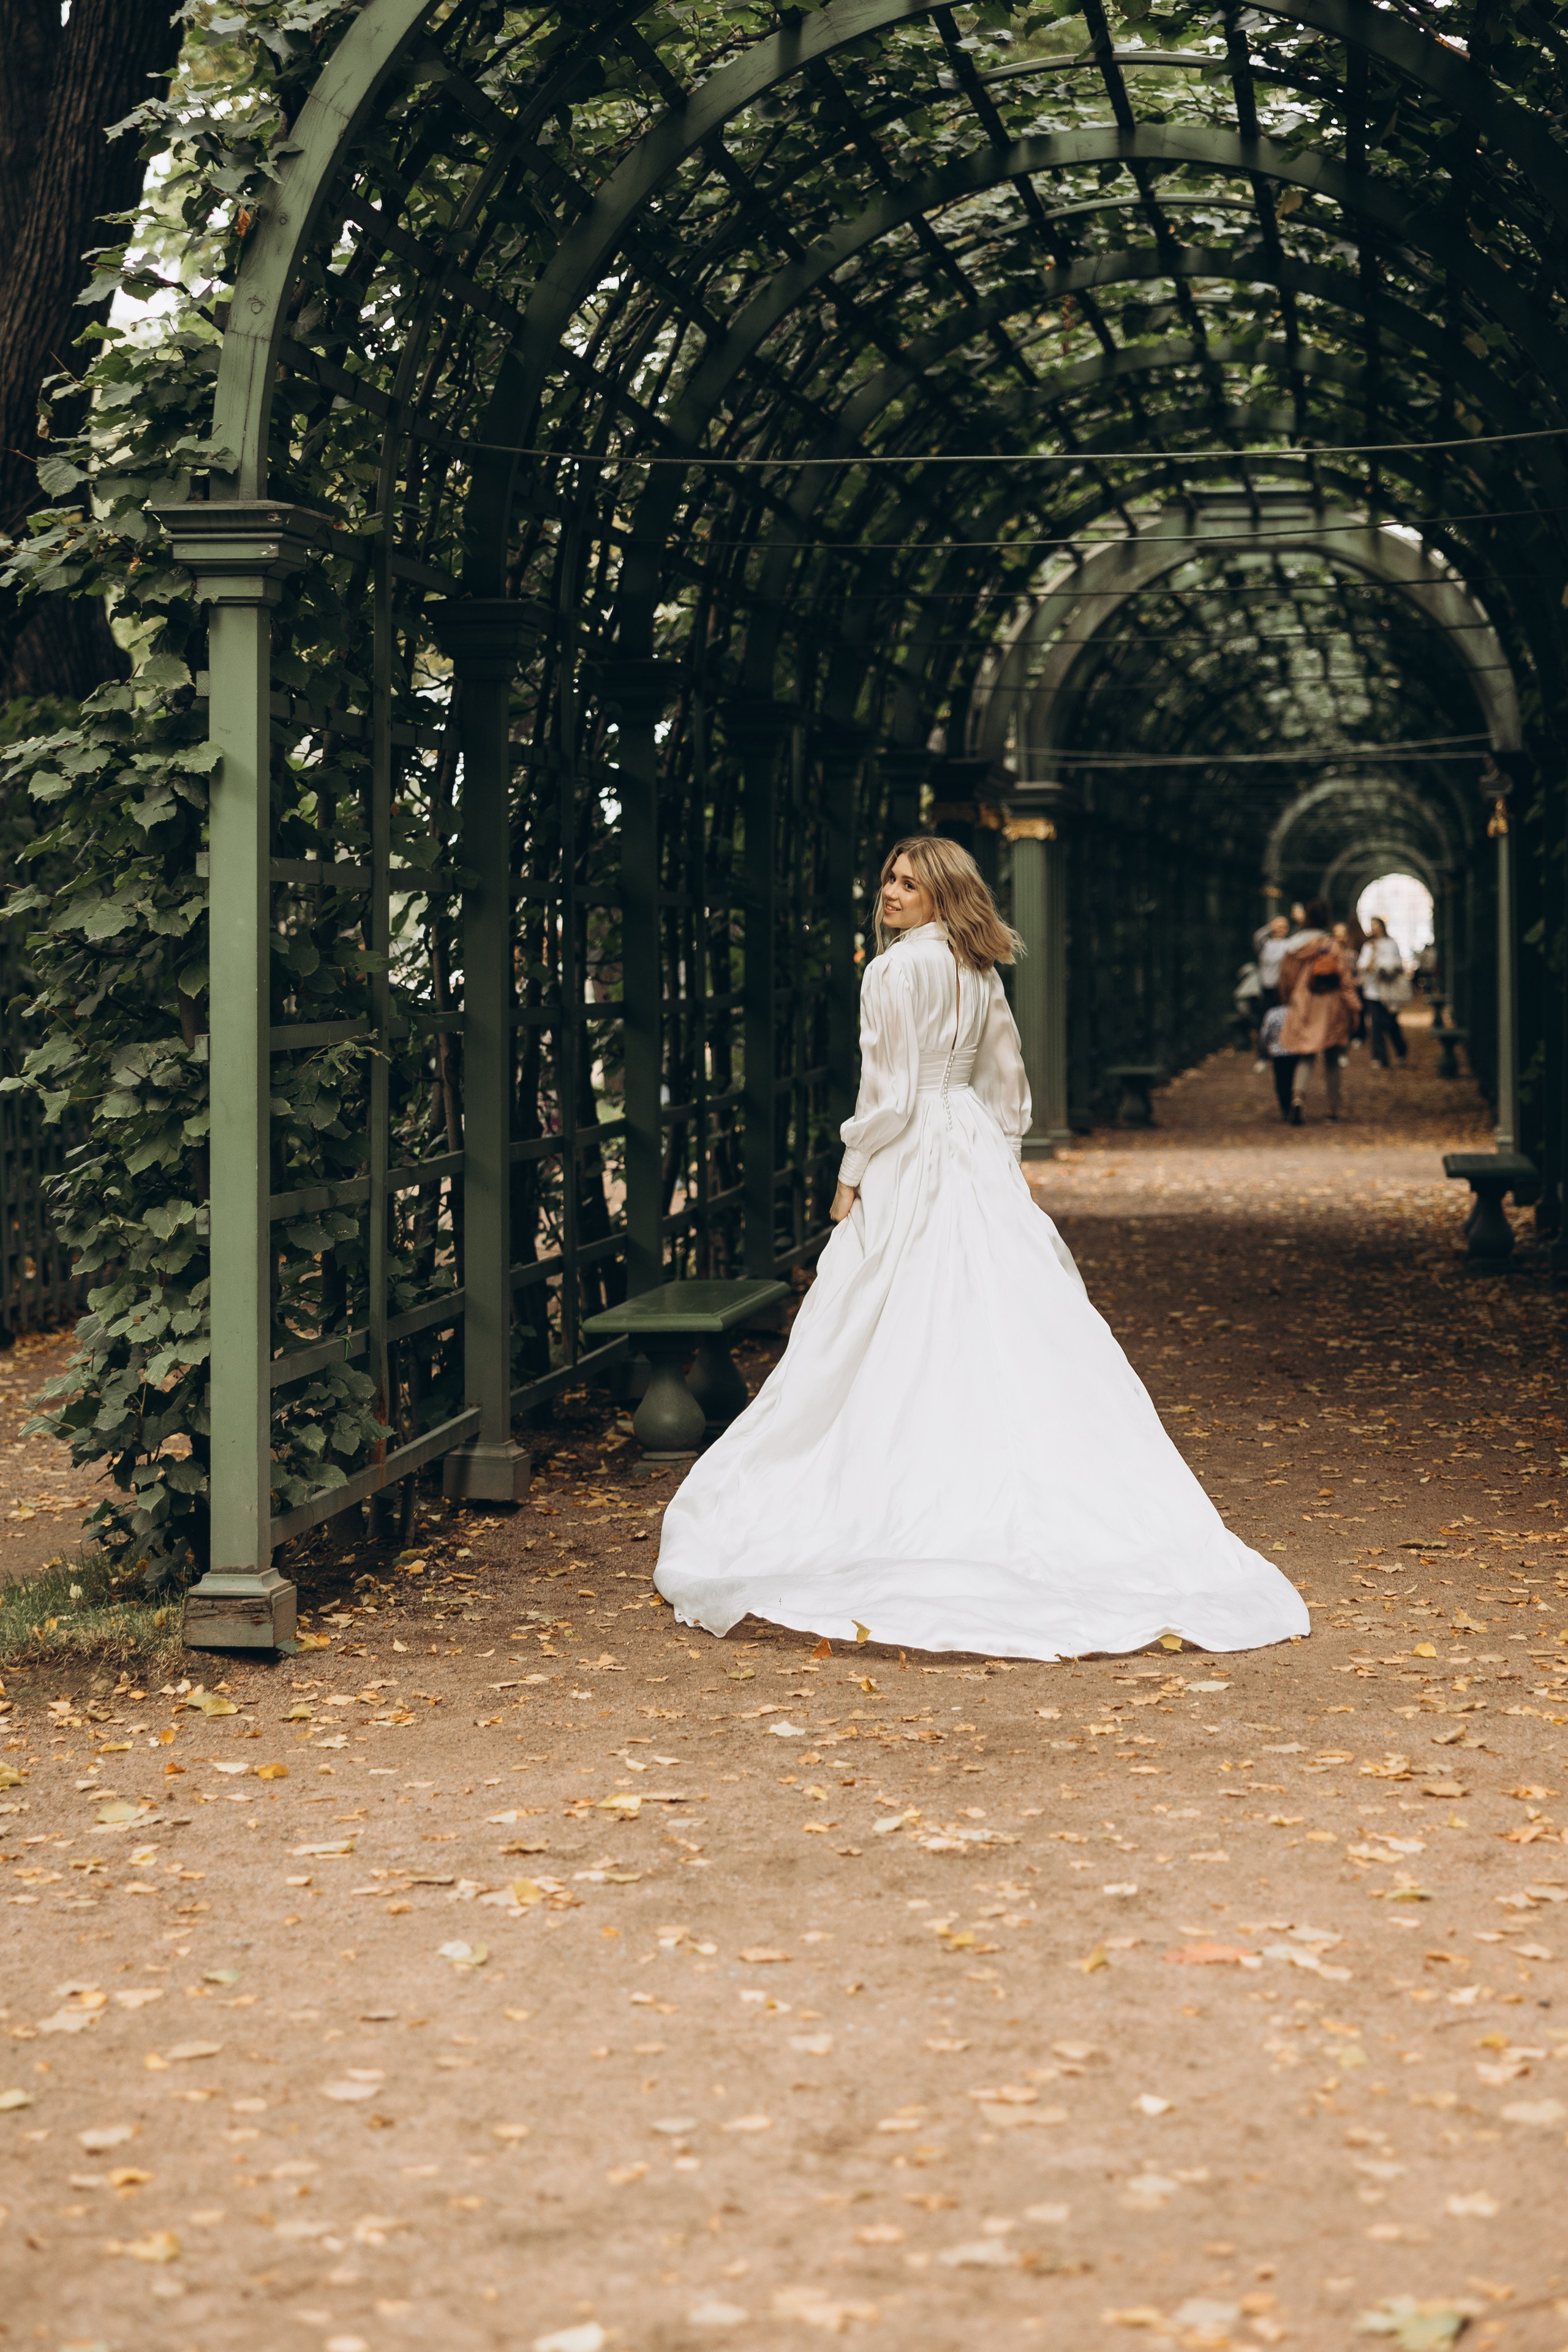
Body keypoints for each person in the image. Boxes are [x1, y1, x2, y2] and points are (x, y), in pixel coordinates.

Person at [654, 837, 1311, 1662]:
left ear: (941, 897)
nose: (890, 892)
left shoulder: (891, 972)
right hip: (969, 1146)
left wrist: (852, 1170)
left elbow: (887, 1094)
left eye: (909, 884)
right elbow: (1007, 1078)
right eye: (889, 878)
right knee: (1001, 1312)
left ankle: (895, 1490)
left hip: (909, 1151)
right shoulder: (977, 969)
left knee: (883, 1312)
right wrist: (998, 1151)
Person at [1277, 897, 1358, 1123]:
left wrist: (1288, 997)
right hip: (1329, 1003)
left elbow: (1285, 978)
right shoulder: (1331, 945)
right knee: (1332, 1057)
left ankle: (1297, 1098)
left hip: (1304, 1001)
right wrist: (1355, 1007)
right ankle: (1333, 1109)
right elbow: (1345, 979)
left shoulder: (1294, 946)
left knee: (1305, 1053)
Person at [1357, 916, 1410, 1068]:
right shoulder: (1368, 946)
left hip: (1389, 991)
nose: (1375, 928)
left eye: (1377, 925)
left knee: (1391, 1023)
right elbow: (1363, 967)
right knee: (1375, 1025)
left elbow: (1399, 964)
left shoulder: (1391, 944)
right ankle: (1380, 1057)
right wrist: (1374, 954)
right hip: (1373, 992)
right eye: (1372, 925)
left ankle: (1401, 1050)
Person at [1259, 998, 1296, 1120]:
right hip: (1293, 1052)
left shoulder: (1271, 1014)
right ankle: (1293, 1104)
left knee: (1281, 1081)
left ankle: (1285, 1109)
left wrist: (1265, 1051)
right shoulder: (1295, 1011)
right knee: (1291, 1079)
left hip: (1276, 1053)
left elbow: (1264, 1035)